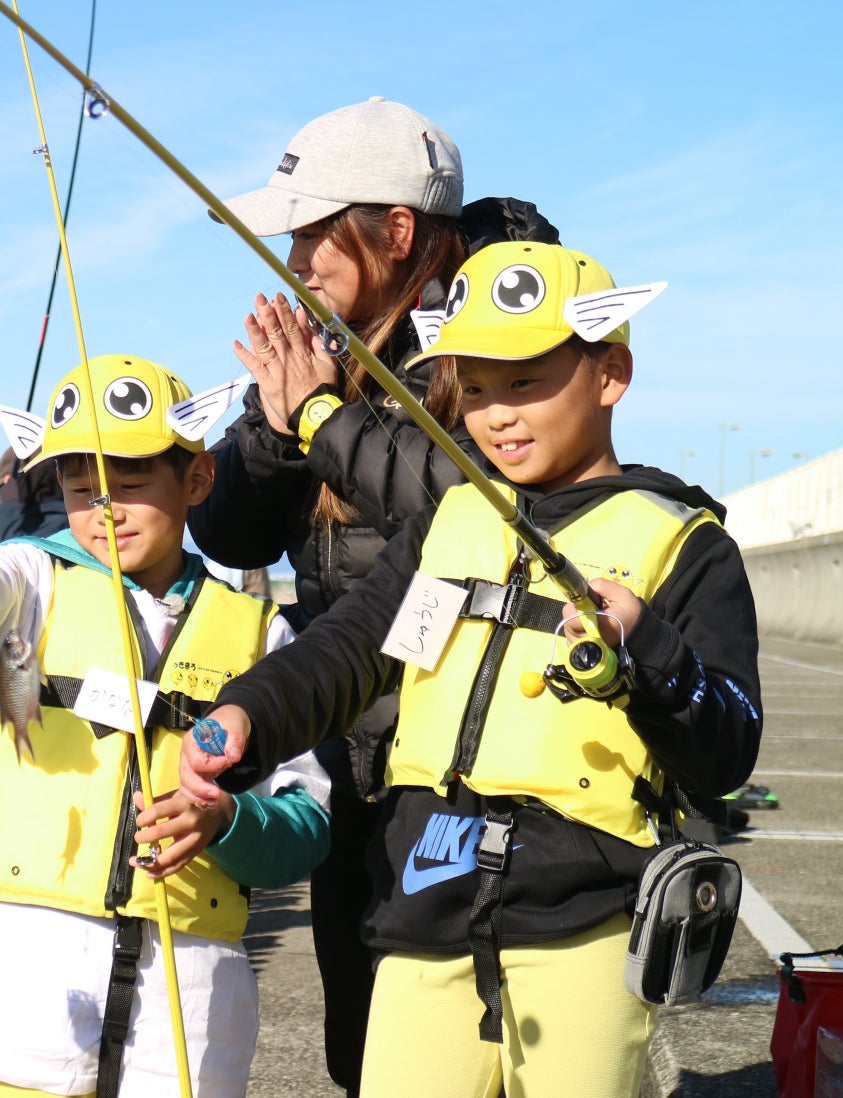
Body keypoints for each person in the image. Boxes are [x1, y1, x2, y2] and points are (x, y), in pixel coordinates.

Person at [180, 242, 764, 1098]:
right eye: (477, 388)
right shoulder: (450, 525)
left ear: (611, 373)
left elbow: (728, 745)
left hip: (590, 915)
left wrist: (648, 654)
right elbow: (348, 652)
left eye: (526, 382)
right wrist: (249, 716)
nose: (497, 416)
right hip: (425, 895)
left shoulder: (688, 546)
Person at [0, 355, 332, 1098]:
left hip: (185, 994)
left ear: (197, 480)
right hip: (17, 977)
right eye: (79, 488)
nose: (104, 509)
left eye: (131, 483)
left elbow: (306, 823)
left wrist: (231, 819)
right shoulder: (27, 582)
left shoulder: (264, 636)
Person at [191, 96, 557, 1095]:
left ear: (397, 232)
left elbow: (474, 505)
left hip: (464, 775)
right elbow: (223, 529)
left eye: (314, 231)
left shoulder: (489, 344)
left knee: (473, 1048)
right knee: (367, 1050)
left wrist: (317, 413)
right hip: (352, 764)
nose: (298, 259)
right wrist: (278, 418)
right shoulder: (331, 349)